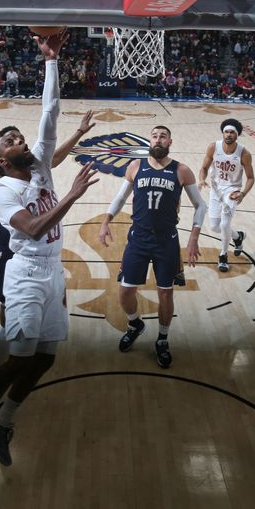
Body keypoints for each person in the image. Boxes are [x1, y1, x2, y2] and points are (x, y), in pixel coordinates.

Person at [0, 29, 100, 474]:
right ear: (1, 159)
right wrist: (72, 196)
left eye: (19, 137)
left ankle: (4, 421)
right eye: (9, 141)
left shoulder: (39, 163)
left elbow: (50, 111)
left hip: (53, 271)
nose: (19, 139)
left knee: (44, 358)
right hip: (23, 270)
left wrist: (51, 61)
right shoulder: (1, 190)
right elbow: (36, 228)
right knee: (18, 358)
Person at [98, 125, 207, 368]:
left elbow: (201, 206)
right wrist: (106, 221)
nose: (158, 139)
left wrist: (193, 237)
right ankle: (135, 323)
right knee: (125, 291)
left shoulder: (181, 170)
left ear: (170, 142)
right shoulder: (136, 167)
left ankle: (163, 339)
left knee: (165, 292)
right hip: (138, 237)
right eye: (155, 136)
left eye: (163, 136)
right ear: (150, 140)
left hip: (166, 240)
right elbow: (121, 197)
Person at [198, 118, 254, 272]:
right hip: (216, 190)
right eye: (226, 132)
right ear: (223, 133)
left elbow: (250, 178)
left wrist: (242, 193)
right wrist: (202, 179)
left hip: (232, 191)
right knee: (215, 227)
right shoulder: (213, 147)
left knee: (224, 225)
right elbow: (203, 167)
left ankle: (223, 256)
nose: (229, 135)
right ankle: (238, 237)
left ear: (237, 135)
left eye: (232, 132)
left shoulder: (244, 153)